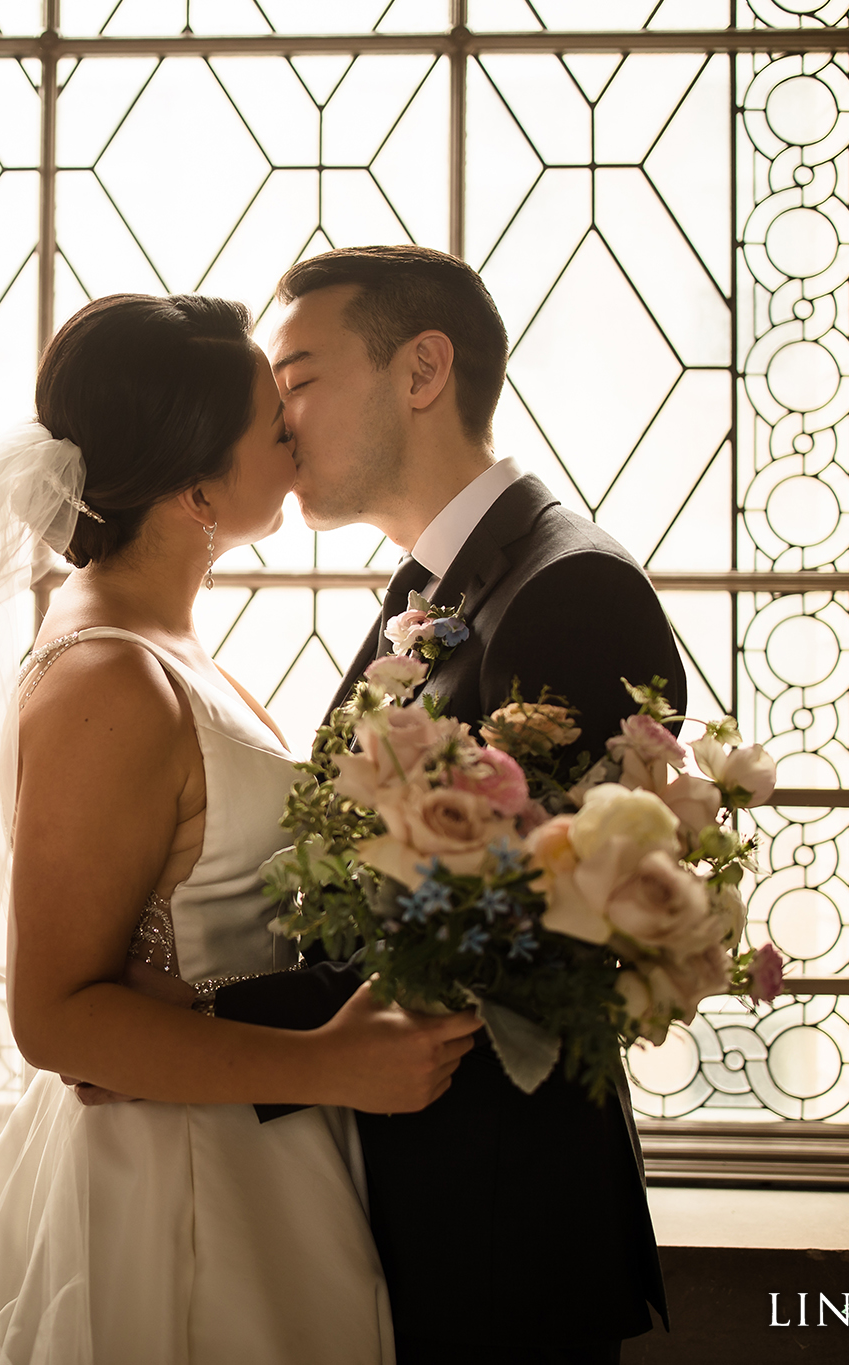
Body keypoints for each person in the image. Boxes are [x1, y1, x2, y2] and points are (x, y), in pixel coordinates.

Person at [0, 294, 483, 1365]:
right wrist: (333, 1067)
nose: (293, 435)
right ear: (195, 484)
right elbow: (54, 1019)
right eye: (272, 423)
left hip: (247, 1148)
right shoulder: (106, 675)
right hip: (171, 1189)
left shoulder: (157, 634)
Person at [212, 245, 683, 1363]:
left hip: (496, 1231)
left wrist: (197, 1025)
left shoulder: (568, 587)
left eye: (297, 381)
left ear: (420, 370)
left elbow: (511, 953)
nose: (278, 423)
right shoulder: (435, 581)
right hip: (404, 1203)